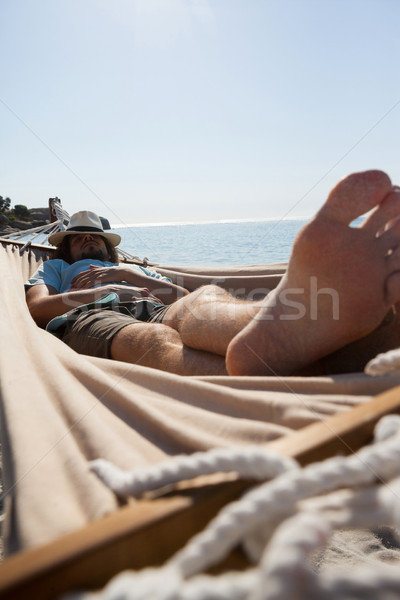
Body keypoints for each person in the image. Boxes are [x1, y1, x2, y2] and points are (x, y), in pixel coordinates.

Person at [25, 170, 400, 377]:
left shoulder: (131, 266)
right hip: (91, 316)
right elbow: (38, 308)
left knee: (204, 300)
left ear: (108, 246)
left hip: (155, 302)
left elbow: (178, 295)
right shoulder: (55, 266)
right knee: (153, 340)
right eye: (79, 239)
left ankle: (288, 329)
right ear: (67, 248)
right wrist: (97, 293)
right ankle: (303, 366)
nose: (88, 241)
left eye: (95, 237)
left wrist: (136, 278)